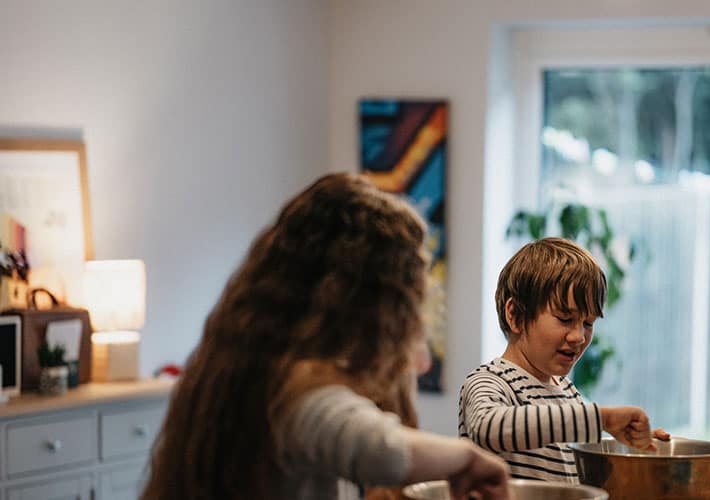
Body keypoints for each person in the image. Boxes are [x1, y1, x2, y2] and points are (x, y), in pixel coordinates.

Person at [140, 173, 511, 500]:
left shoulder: (242, 364)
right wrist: (467, 457)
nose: (421, 360)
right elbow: (383, 449)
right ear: (367, 308)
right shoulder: (293, 389)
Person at [458, 237, 670, 483]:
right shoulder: (490, 381)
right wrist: (603, 419)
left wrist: (632, 445)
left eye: (588, 323)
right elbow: (488, 428)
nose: (579, 336)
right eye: (565, 318)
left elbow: (577, 453)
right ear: (515, 315)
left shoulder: (568, 392)